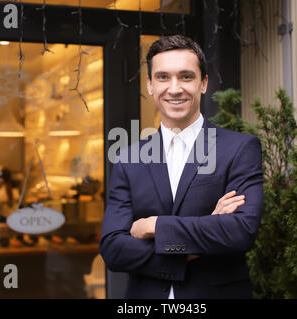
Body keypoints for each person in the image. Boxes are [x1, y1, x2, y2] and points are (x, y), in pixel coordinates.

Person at [99, 35, 263, 299]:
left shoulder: (240, 149)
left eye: (186, 76)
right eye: (163, 77)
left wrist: (155, 226)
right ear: (150, 85)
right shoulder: (128, 159)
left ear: (204, 83)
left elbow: (240, 232)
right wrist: (205, 231)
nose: (174, 88)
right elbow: (113, 249)